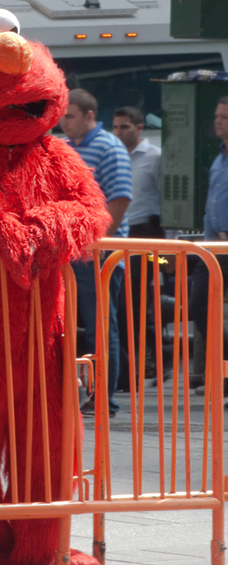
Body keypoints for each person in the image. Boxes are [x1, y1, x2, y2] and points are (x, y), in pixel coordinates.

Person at [60, 89, 132, 418]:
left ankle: (105, 398)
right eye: (62, 115)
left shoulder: (109, 147)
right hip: (72, 252)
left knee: (101, 326)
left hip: (98, 253)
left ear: (90, 116)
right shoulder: (65, 147)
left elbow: (119, 200)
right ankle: (81, 392)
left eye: (70, 116)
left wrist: (95, 244)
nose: (64, 122)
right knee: (77, 325)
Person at [112, 107, 165, 388]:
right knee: (121, 306)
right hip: (120, 235)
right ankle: (128, 371)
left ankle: (146, 367)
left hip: (145, 235)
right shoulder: (114, 155)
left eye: (125, 127)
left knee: (137, 304)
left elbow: (165, 200)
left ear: (140, 128)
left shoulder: (154, 158)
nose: (119, 133)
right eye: (116, 127)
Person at [190, 96, 228, 389]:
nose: (217, 121)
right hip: (214, 247)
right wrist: (205, 241)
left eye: (224, 117)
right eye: (217, 116)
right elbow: (211, 203)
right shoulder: (219, 157)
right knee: (199, 306)